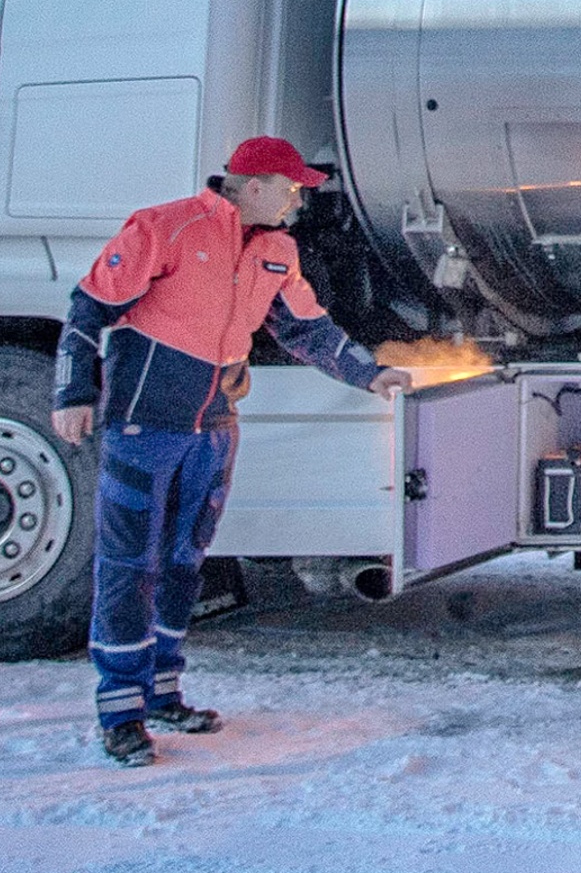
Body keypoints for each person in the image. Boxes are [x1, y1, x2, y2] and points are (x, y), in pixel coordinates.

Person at [51, 135, 408, 765]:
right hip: (144, 425)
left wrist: (368, 372)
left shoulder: (278, 250)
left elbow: (307, 328)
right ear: (255, 184)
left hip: (214, 425)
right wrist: (74, 392)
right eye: (292, 187)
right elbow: (88, 309)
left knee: (186, 560)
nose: (299, 199)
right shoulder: (164, 228)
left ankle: (163, 692)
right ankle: (120, 713)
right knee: (129, 564)